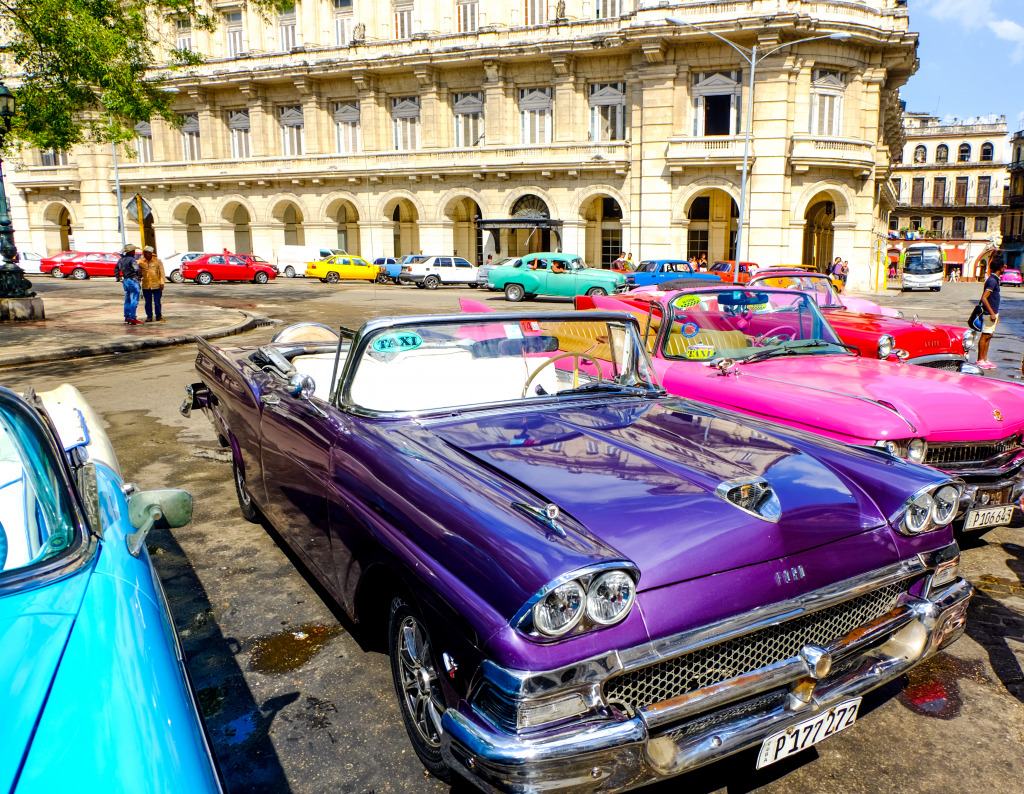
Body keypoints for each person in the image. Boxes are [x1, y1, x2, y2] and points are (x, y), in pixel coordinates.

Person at [976, 261, 1005, 369]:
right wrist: (992, 313)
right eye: (1003, 266)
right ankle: (980, 360)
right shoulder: (992, 281)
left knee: (989, 336)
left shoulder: (994, 280)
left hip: (993, 312)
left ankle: (984, 358)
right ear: (1000, 268)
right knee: (985, 335)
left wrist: (996, 313)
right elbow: (984, 298)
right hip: (989, 313)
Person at [114, 244, 143, 325]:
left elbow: (116, 269)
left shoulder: (121, 260)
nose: (134, 252)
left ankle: (127, 317)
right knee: (134, 300)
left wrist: (119, 278)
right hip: (133, 281)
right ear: (130, 252)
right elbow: (136, 269)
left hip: (125, 281)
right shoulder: (132, 260)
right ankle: (132, 317)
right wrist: (140, 276)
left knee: (127, 300)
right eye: (133, 251)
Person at [138, 245, 165, 322]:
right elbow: (137, 272)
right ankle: (149, 316)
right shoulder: (140, 261)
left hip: (156, 285)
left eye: (147, 252)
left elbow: (162, 272)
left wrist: (162, 283)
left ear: (151, 253)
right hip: (146, 286)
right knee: (148, 302)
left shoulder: (157, 261)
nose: (145, 254)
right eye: (144, 252)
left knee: (157, 302)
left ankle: (159, 316)